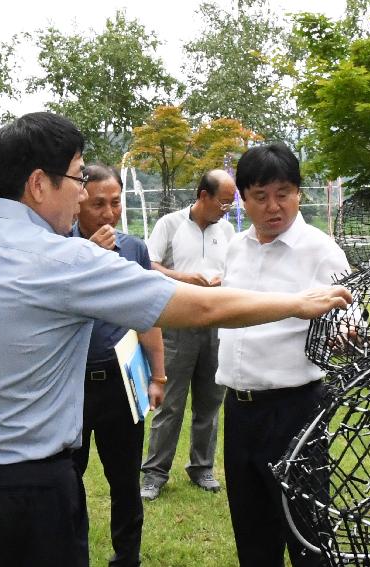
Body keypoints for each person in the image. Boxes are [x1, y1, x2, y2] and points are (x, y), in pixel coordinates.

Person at [0, 111, 351, 567]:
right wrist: (297, 303)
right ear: (39, 184)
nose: (81, 194)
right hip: (32, 491)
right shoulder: (67, 260)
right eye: (77, 179)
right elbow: (204, 307)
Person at [215, 143, 350, 567]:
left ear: (298, 193)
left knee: (307, 530)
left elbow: (350, 312)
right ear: (243, 198)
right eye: (260, 196)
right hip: (239, 410)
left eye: (284, 193)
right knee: (252, 530)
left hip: (294, 411)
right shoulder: (236, 247)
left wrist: (346, 331)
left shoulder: (319, 249)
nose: (274, 207)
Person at [71, 163, 165, 567]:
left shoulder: (134, 249)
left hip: (119, 382)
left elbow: (148, 315)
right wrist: (90, 254)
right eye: (97, 204)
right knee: (66, 479)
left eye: (115, 203)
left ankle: (127, 557)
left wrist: (158, 374)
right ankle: (70, 554)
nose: (108, 214)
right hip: (70, 385)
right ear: (77, 202)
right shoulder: (60, 248)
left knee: (124, 480)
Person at [140, 169, 237, 500]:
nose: (226, 208)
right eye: (222, 202)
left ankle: (202, 466)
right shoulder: (170, 224)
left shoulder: (226, 230)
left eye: (230, 202)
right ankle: (154, 473)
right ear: (203, 195)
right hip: (177, 325)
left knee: (210, 401)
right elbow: (150, 266)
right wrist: (186, 279)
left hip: (216, 325)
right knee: (170, 402)